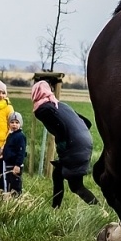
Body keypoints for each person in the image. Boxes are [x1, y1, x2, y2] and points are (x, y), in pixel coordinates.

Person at [31, 80, 99, 209]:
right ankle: (55, 208)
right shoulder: (60, 105)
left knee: (76, 186)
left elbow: (60, 128)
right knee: (57, 174)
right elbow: (87, 122)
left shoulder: (42, 109)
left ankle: (99, 210)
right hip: (85, 143)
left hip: (74, 147)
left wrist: (63, 147)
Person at [0, 111, 27, 197]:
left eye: (17, 122)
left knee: (15, 185)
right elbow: (9, 147)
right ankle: (8, 200)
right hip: (8, 165)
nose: (14, 125)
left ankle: (16, 200)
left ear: (20, 124)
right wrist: (3, 153)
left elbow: (21, 152)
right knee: (8, 183)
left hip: (15, 166)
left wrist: (18, 165)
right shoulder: (10, 135)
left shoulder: (20, 136)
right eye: (12, 122)